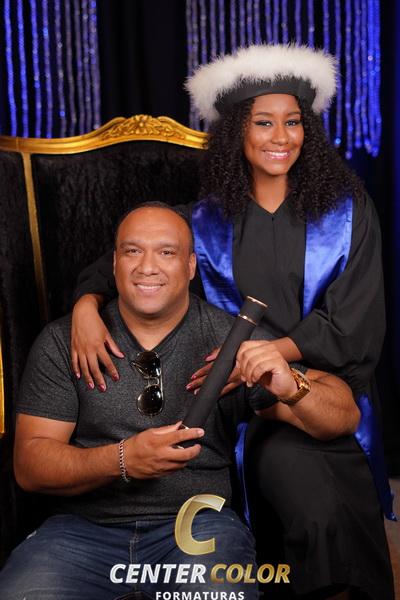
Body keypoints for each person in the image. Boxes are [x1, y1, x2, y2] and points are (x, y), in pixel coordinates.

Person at [69, 45, 393, 598]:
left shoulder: (348, 212)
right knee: (298, 491)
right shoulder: (203, 222)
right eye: (263, 122)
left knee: (322, 498)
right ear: (236, 132)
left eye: (293, 121)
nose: (280, 136)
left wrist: (269, 356)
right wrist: (84, 306)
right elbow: (122, 264)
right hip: (239, 405)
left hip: (326, 390)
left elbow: (354, 325)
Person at [0, 205, 362, 600]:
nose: (147, 267)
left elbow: (344, 416)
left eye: (166, 252)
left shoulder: (228, 340)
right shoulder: (64, 341)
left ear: (191, 266)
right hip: (81, 530)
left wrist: (291, 384)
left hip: (198, 525)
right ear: (115, 263)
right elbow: (30, 467)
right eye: (133, 251)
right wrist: (122, 459)